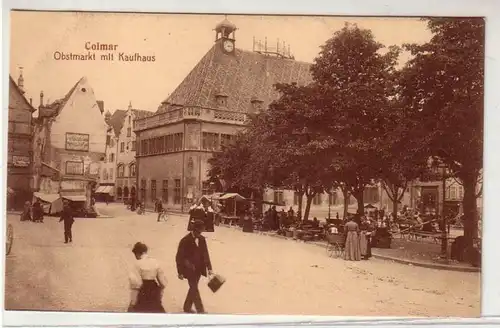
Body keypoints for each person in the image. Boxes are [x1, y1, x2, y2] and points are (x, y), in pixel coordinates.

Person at [176, 220, 213, 314]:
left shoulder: (202, 239)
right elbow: (179, 257)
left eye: (201, 232)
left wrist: (209, 268)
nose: (199, 234)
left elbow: (205, 254)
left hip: (199, 269)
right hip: (189, 269)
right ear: (194, 230)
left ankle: (187, 307)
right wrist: (180, 272)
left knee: (193, 287)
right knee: (194, 288)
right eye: (198, 232)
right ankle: (200, 310)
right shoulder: (185, 240)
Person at [128, 242, 167, 313]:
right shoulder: (155, 262)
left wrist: (132, 303)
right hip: (154, 290)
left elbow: (136, 284)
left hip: (143, 291)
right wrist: (159, 296)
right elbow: (163, 283)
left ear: (137, 253)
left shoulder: (137, 264)